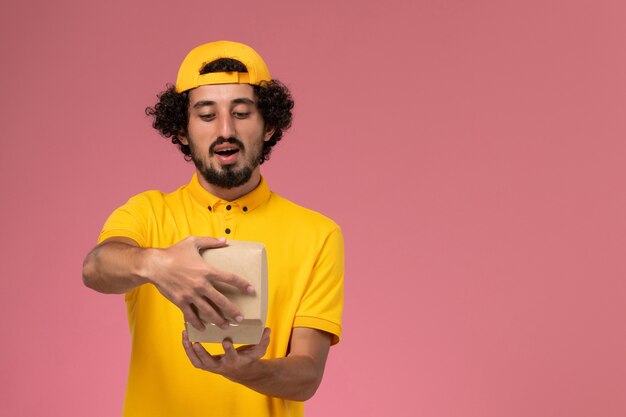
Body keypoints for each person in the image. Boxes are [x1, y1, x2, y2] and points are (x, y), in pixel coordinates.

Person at [82, 40, 344, 417]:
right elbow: (95, 268)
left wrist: (249, 372)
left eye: (241, 113)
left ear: (268, 125)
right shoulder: (148, 213)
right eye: (206, 116)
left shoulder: (318, 234)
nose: (225, 130)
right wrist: (157, 265)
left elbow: (308, 374)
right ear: (183, 131)